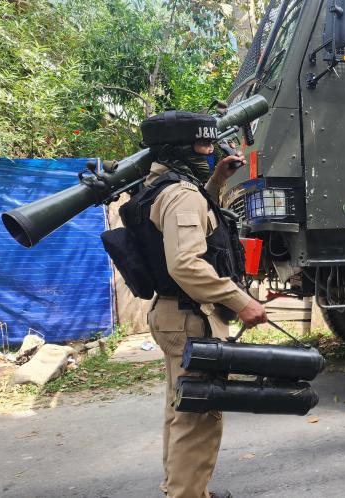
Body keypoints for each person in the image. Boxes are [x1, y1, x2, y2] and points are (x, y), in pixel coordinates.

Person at [129, 110, 268, 498]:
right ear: (178, 148)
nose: (209, 150)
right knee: (199, 417)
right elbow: (186, 263)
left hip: (174, 313)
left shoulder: (159, 185)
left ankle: (183, 489)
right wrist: (240, 301)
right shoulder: (181, 194)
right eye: (203, 144)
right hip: (193, 317)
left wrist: (218, 179)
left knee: (182, 409)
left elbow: (193, 218)